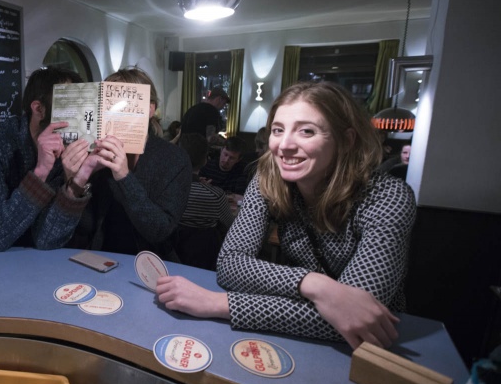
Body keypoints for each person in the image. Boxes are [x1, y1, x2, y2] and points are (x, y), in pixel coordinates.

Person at [156, 81, 417, 350]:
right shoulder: (268, 177)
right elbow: (231, 264)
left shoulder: (388, 196)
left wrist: (216, 303)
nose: (285, 145)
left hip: (377, 347)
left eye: (307, 131)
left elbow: (353, 317)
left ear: (346, 140)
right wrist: (315, 285)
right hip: (299, 338)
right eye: (278, 130)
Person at [0, 67, 100, 251]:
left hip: (36, 266)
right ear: (38, 109)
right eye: (69, 106)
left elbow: (47, 240)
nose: (79, 117)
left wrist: (75, 183)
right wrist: (41, 172)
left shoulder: (65, 149)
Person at [70, 67, 192, 260]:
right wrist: (76, 179)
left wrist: (124, 177)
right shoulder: (94, 151)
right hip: (96, 260)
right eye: (109, 106)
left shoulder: (174, 159)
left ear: (150, 109)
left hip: (150, 265)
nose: (118, 113)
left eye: (127, 106)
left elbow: (160, 231)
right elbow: (83, 227)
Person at [172, 133, 234, 270]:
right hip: (205, 260)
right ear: (205, 160)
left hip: (171, 257)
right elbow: (232, 226)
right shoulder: (216, 195)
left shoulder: (168, 190)